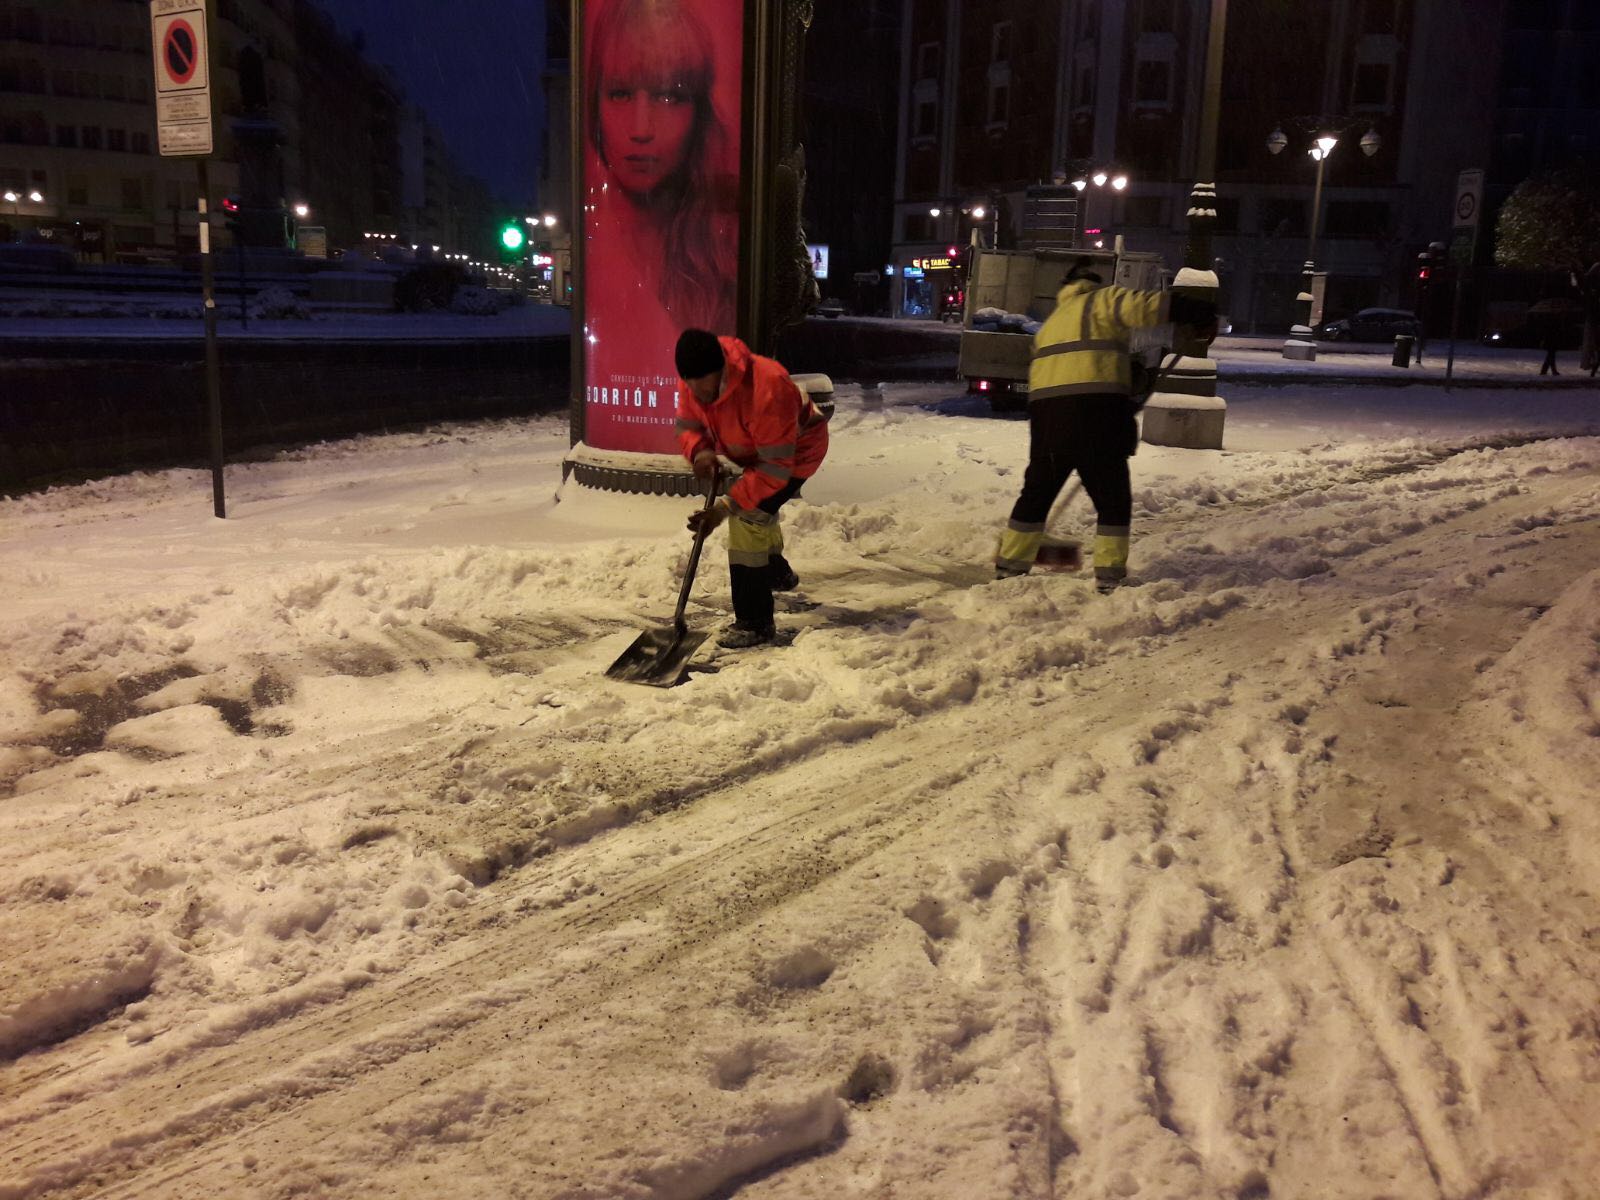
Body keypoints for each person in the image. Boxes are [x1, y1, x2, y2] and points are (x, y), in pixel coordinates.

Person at [994, 258, 1214, 592]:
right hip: (1095, 412)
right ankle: (1109, 577)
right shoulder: (1104, 300)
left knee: (1037, 492)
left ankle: (1009, 568)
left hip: (1047, 418)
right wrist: (1196, 311)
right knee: (1112, 498)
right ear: (1090, 285)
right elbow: (1151, 306)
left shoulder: (1050, 325)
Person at [584, 0, 738, 343]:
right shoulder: (592, 245)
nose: (641, 129)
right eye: (620, 93)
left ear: (699, 113)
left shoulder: (727, 249)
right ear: (594, 104)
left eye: (669, 97)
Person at [673, 329, 829, 648]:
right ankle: (774, 570)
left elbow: (773, 470)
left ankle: (754, 622)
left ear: (723, 371)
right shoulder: (693, 380)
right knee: (759, 508)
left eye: (705, 387)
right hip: (758, 452)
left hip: (797, 452)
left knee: (747, 516)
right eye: (691, 387)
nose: (698, 395)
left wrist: (724, 508)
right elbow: (690, 425)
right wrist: (700, 451)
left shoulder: (766, 387)